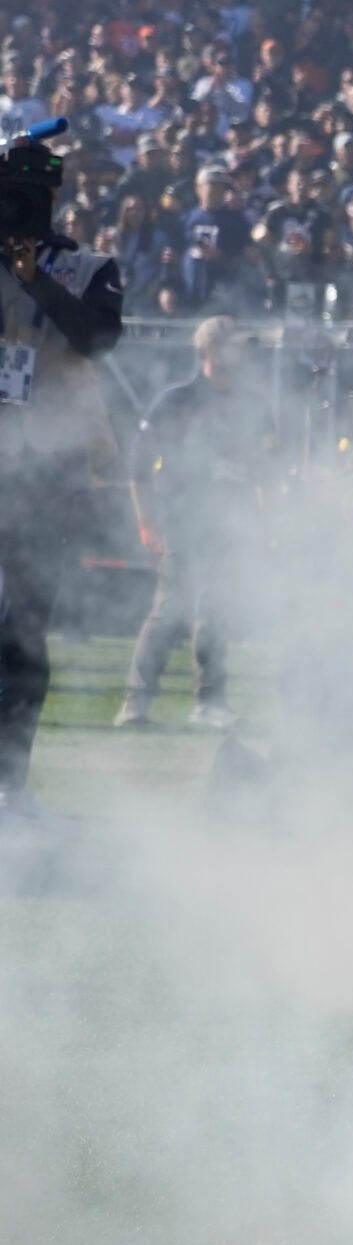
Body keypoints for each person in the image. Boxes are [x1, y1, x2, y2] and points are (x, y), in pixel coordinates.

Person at [0, 135, 123, 816]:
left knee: (22, 628)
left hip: (48, 465)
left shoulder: (88, 266)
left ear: (49, 194)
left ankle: (9, 785)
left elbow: (98, 338)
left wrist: (34, 279)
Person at [115, 316, 279, 730]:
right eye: (234, 345)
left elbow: (268, 472)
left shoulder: (254, 406)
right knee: (170, 611)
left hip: (233, 526)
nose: (241, 353)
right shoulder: (176, 401)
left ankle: (209, 704)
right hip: (184, 523)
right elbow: (138, 468)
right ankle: (135, 705)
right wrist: (146, 524)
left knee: (216, 612)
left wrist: (267, 525)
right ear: (209, 350)